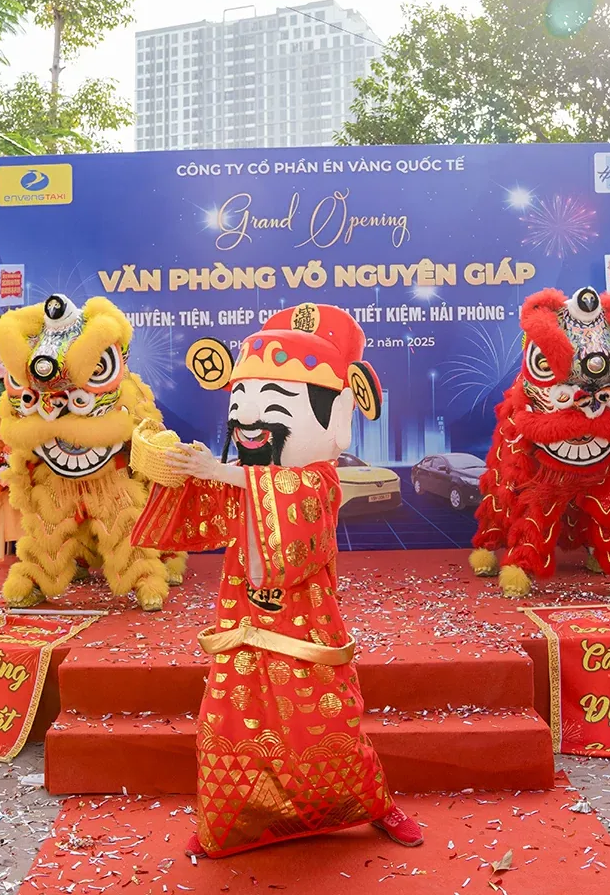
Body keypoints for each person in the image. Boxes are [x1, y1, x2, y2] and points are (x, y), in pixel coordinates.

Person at [131, 302, 423, 858]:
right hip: (240, 621)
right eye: (240, 403)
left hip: (304, 624)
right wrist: (187, 467)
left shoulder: (319, 480)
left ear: (335, 418)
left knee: (327, 721)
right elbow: (211, 512)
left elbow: (293, 524)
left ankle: (375, 804)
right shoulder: (247, 473)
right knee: (228, 722)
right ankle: (225, 821)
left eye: (274, 402)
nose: (248, 418)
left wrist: (227, 474)